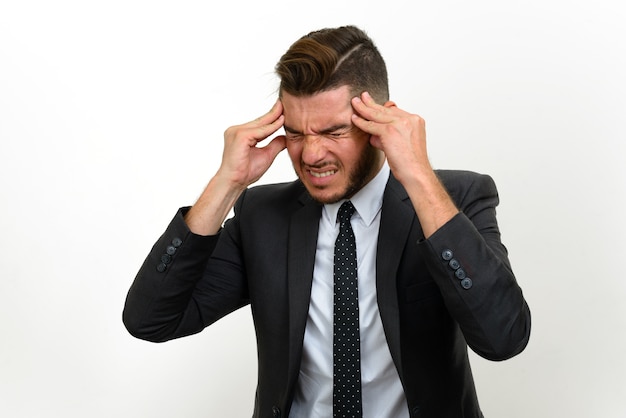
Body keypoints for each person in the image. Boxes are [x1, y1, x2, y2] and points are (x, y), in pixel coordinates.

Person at [123, 25, 531, 418]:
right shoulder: (263, 216)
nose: (311, 154)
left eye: (334, 131)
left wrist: (419, 178)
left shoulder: (456, 198)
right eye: (296, 133)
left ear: (381, 122)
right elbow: (151, 320)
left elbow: (503, 339)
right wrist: (226, 184)